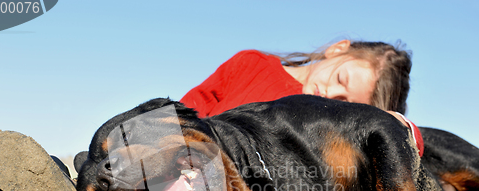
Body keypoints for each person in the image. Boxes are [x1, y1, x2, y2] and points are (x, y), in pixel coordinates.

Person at [180, 40, 424, 156]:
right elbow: (188, 108)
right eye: (340, 78)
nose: (331, 94)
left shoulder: (326, 126)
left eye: (345, 102)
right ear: (337, 49)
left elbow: (410, 145)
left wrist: (395, 124)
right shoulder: (251, 64)